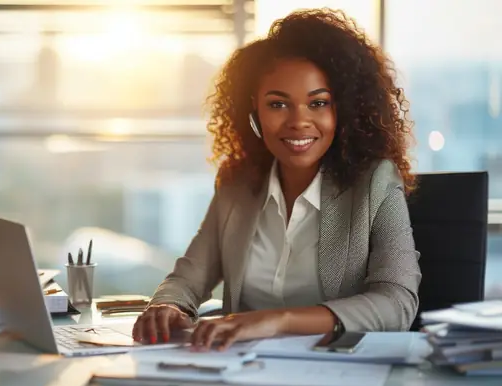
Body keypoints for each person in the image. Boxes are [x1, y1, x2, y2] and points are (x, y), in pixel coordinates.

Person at [132, 8, 421, 350]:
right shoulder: (237, 182)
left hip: (333, 371)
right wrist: (168, 305)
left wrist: (275, 321)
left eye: (318, 103)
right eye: (278, 105)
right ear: (253, 109)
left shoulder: (375, 181)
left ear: (344, 108)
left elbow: (396, 302)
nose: (299, 122)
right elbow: (189, 276)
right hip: (237, 368)